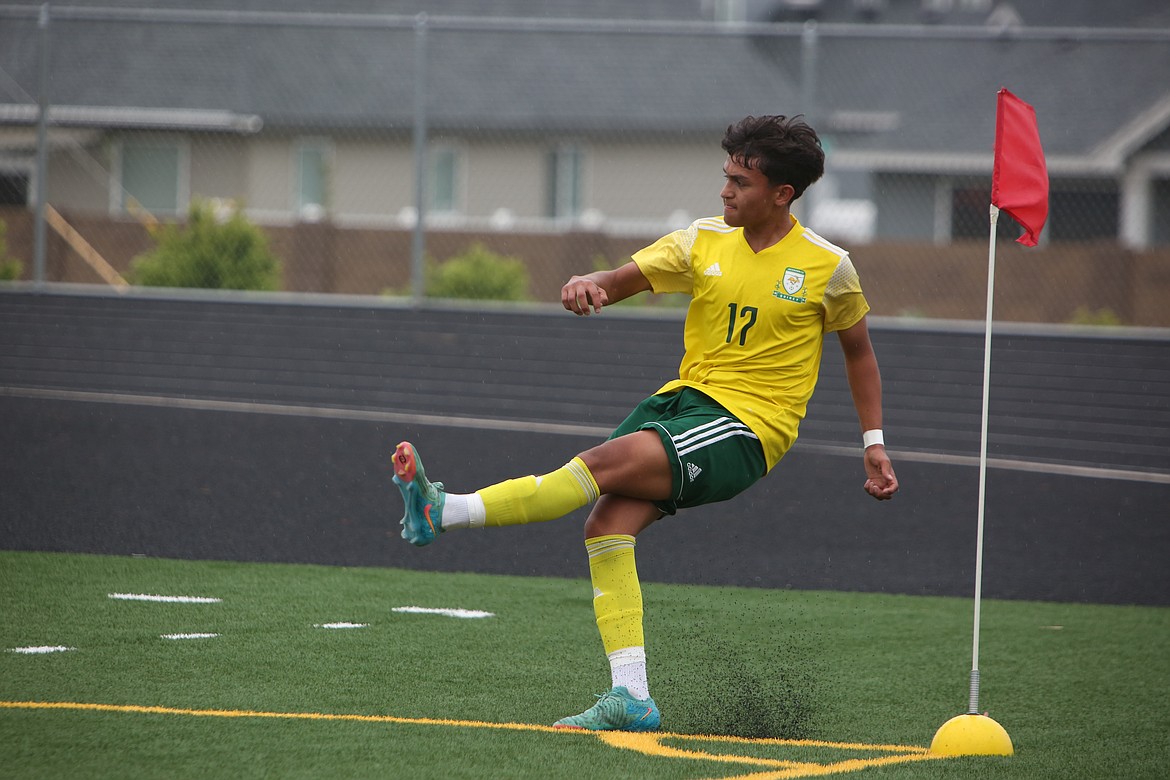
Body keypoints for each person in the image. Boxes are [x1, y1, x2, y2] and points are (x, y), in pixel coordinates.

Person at [391, 114, 898, 732]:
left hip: (746, 429)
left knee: (598, 467)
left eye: (740, 181)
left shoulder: (828, 266)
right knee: (605, 524)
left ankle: (441, 511)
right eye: (726, 177)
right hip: (681, 404)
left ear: (782, 193)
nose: (726, 190)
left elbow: (859, 353)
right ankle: (631, 696)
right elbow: (618, 279)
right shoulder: (701, 241)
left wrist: (873, 443)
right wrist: (591, 283)